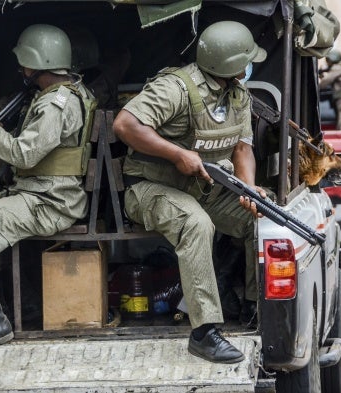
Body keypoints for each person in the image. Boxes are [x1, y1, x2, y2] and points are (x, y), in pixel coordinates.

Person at [112, 20, 267, 364]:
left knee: (260, 219)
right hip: (149, 189)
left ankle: (258, 309)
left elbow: (242, 148)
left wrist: (248, 189)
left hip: (203, 189)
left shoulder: (238, 94)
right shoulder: (176, 89)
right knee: (196, 223)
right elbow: (125, 124)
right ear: (228, 65)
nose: (248, 65)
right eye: (245, 60)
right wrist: (176, 153)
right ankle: (204, 332)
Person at [0, 24, 96, 355]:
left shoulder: (55, 103)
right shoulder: (62, 95)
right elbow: (28, 151)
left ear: (37, 62)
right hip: (38, 193)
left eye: (24, 59)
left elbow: (24, 153)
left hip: (50, 203)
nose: (21, 66)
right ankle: (6, 302)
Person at [319, 49, 341, 130]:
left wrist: (317, 85)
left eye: (328, 60)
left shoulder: (337, 68)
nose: (327, 62)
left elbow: (325, 82)